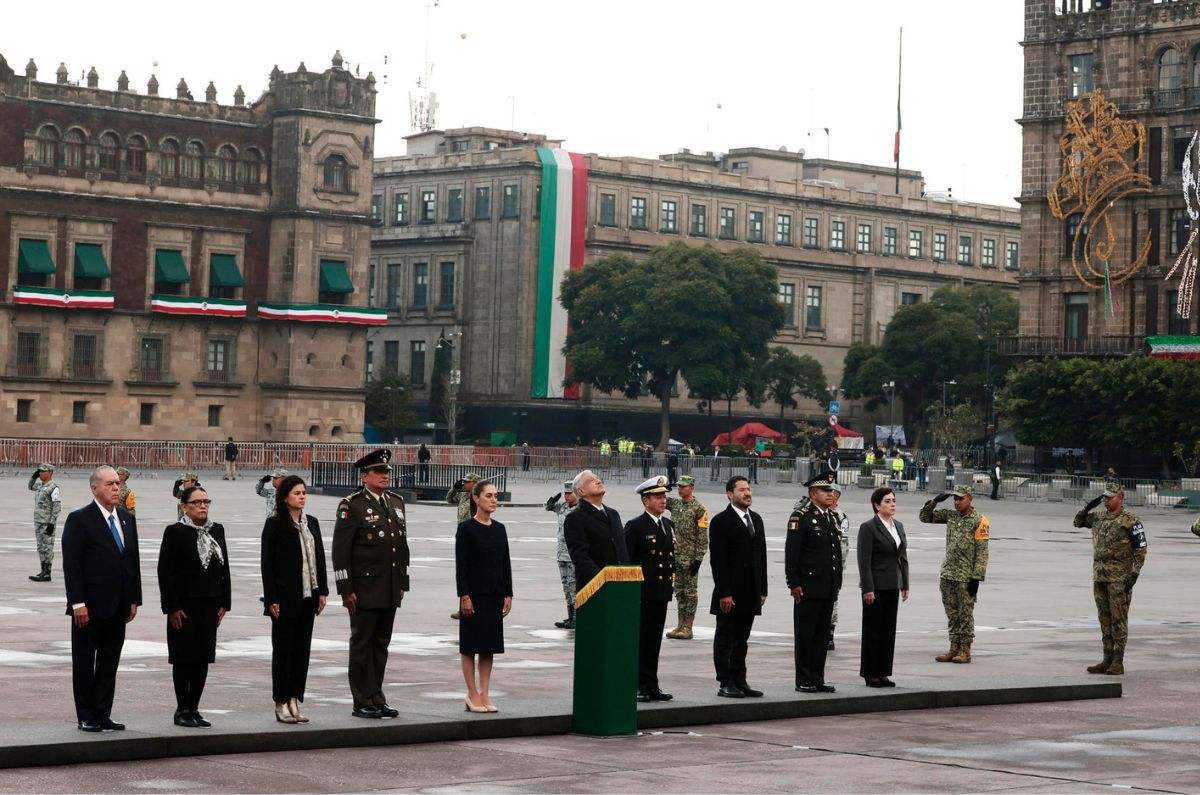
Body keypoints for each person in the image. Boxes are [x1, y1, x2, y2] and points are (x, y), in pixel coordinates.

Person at [62, 465, 141, 732]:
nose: (116, 488)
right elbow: (72, 565)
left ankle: (103, 713)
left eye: (117, 483)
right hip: (89, 606)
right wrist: (77, 603)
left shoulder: (127, 518)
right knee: (84, 662)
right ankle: (86, 714)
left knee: (109, 662)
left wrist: (134, 598)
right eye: (109, 484)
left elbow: (132, 561)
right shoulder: (80, 519)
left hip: (118, 605)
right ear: (94, 488)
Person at [332, 449, 410, 719]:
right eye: (379, 472)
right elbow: (340, 551)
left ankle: (377, 696)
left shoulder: (396, 502)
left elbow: (401, 545)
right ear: (364, 476)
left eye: (386, 471)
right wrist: (345, 590)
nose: (384, 476)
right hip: (363, 589)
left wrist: (403, 581)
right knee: (362, 644)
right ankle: (361, 700)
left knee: (381, 644)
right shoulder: (351, 505)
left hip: (389, 586)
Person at [158, 485, 231, 728]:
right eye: (197, 502)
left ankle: (195, 708)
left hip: (210, 605)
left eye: (206, 502)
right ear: (184, 507)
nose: (202, 506)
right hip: (184, 606)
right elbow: (165, 572)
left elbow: (225, 568)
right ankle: (182, 709)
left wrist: (225, 602)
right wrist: (171, 607)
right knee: (183, 658)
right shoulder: (175, 532)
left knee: (202, 658)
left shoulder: (216, 530)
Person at [262, 475, 328, 724]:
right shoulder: (275, 524)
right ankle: (280, 700)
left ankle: (295, 698)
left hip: (308, 596)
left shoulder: (312, 523)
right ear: (285, 496)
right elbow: (266, 564)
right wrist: (271, 598)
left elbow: (319, 558)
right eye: (297, 493)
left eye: (304, 493)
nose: (302, 497)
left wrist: (323, 590)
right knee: (283, 650)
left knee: (302, 650)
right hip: (285, 597)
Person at [1074, 483, 1147, 675]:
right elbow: (1078, 522)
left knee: (1118, 620)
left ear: (1120, 498)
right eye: (1104, 497)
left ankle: (1118, 661)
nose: (1106, 500)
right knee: (1104, 619)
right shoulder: (1098, 518)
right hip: (1100, 577)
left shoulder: (1131, 521)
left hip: (1119, 579)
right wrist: (1087, 507)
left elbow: (1141, 550)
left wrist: (1134, 573)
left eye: (1110, 497)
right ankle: (1106, 659)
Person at [456, 480, 513, 713]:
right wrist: (464, 596)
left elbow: (505, 562)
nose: (493, 499)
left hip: (495, 595)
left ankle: (485, 693)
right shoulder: (466, 529)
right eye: (488, 496)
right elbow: (461, 566)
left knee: (489, 646)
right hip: (474, 595)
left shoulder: (500, 529)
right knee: (470, 646)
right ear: (476, 498)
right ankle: (471, 693)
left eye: (495, 495)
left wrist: (508, 592)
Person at [708, 476, 768, 699]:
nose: (747, 493)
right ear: (730, 494)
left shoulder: (757, 520)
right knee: (726, 637)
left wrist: (763, 589)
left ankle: (740, 679)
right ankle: (725, 681)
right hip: (730, 592)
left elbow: (761, 557)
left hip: (750, 592)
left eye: (749, 489)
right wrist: (724, 592)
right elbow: (718, 561)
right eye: (742, 490)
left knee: (742, 638)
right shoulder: (720, 521)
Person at [786, 472, 843, 693]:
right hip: (808, 587)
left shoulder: (830, 516)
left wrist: (836, 582)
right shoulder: (801, 517)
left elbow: (834, 553)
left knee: (821, 637)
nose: (830, 494)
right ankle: (804, 678)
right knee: (806, 635)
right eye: (825, 490)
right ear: (812, 493)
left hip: (827, 587)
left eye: (831, 490)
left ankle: (818, 677)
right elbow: (792, 554)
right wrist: (794, 583)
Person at [920, 485, 989, 664]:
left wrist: (977, 577)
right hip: (948, 573)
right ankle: (954, 647)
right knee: (952, 613)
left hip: (966, 576)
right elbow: (925, 517)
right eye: (955, 499)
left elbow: (982, 552)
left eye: (961, 498)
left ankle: (966, 650)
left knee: (965, 614)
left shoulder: (980, 520)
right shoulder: (951, 516)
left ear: (970, 498)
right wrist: (935, 501)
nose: (957, 502)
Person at [625, 476, 676, 702]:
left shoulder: (667, 524)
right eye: (657, 497)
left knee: (654, 641)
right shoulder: (635, 526)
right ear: (646, 501)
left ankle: (652, 684)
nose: (663, 500)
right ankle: (637, 685)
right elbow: (627, 561)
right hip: (643, 593)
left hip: (661, 593)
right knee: (641, 641)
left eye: (664, 496)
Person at [857, 487, 910, 688]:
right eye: (887, 501)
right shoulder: (869, 527)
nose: (892, 504)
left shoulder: (898, 526)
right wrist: (867, 588)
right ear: (877, 505)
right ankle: (871, 673)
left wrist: (905, 583)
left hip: (892, 584)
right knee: (873, 630)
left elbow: (902, 557)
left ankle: (883, 672)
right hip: (876, 585)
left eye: (893, 501)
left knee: (888, 630)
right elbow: (864, 559)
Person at [563, 469, 628, 589]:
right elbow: (580, 557)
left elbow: (622, 550)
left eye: (598, 478)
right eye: (591, 481)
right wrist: (602, 579)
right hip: (595, 587)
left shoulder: (613, 514)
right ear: (581, 491)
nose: (598, 481)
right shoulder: (575, 518)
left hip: (621, 584)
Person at [665, 475, 709, 640]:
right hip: (676, 557)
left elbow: (703, 537)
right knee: (679, 592)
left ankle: (688, 626)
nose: (680, 489)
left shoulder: (699, 509)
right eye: (678, 486)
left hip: (690, 558)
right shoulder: (675, 504)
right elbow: (659, 497)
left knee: (690, 593)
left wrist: (698, 559)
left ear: (691, 487)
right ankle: (680, 625)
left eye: (683, 486)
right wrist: (665, 485)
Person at [544, 481, 578, 629]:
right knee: (566, 586)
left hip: (572, 555)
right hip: (561, 554)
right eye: (565, 493)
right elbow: (548, 507)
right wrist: (552, 500)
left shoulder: (581, 509)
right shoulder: (563, 507)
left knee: (573, 587)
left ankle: (577, 618)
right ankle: (570, 617)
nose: (567, 496)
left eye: (569, 493)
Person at [447, 473, 479, 621]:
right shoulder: (463, 496)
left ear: (474, 483)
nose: (464, 484)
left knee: (472, 573)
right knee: (463, 573)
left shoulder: (478, 497)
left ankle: (473, 606)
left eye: (467, 482)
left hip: (474, 537)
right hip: (462, 535)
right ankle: (463, 607)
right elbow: (449, 500)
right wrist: (454, 489)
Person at [28, 463, 62, 582]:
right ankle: (43, 570)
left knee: (48, 547)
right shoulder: (40, 486)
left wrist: (52, 523)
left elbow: (57, 507)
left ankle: (47, 573)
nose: (41, 473)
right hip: (38, 521)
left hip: (47, 522)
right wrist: (34, 477)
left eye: (43, 471)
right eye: (40, 471)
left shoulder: (53, 488)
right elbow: (30, 486)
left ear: (50, 473)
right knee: (40, 546)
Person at [827, 483, 851, 651]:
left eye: (832, 493)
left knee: (833, 601)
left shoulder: (840, 517)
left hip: (834, 568)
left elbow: (844, 545)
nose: (830, 495)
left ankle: (829, 633)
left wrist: (839, 569)